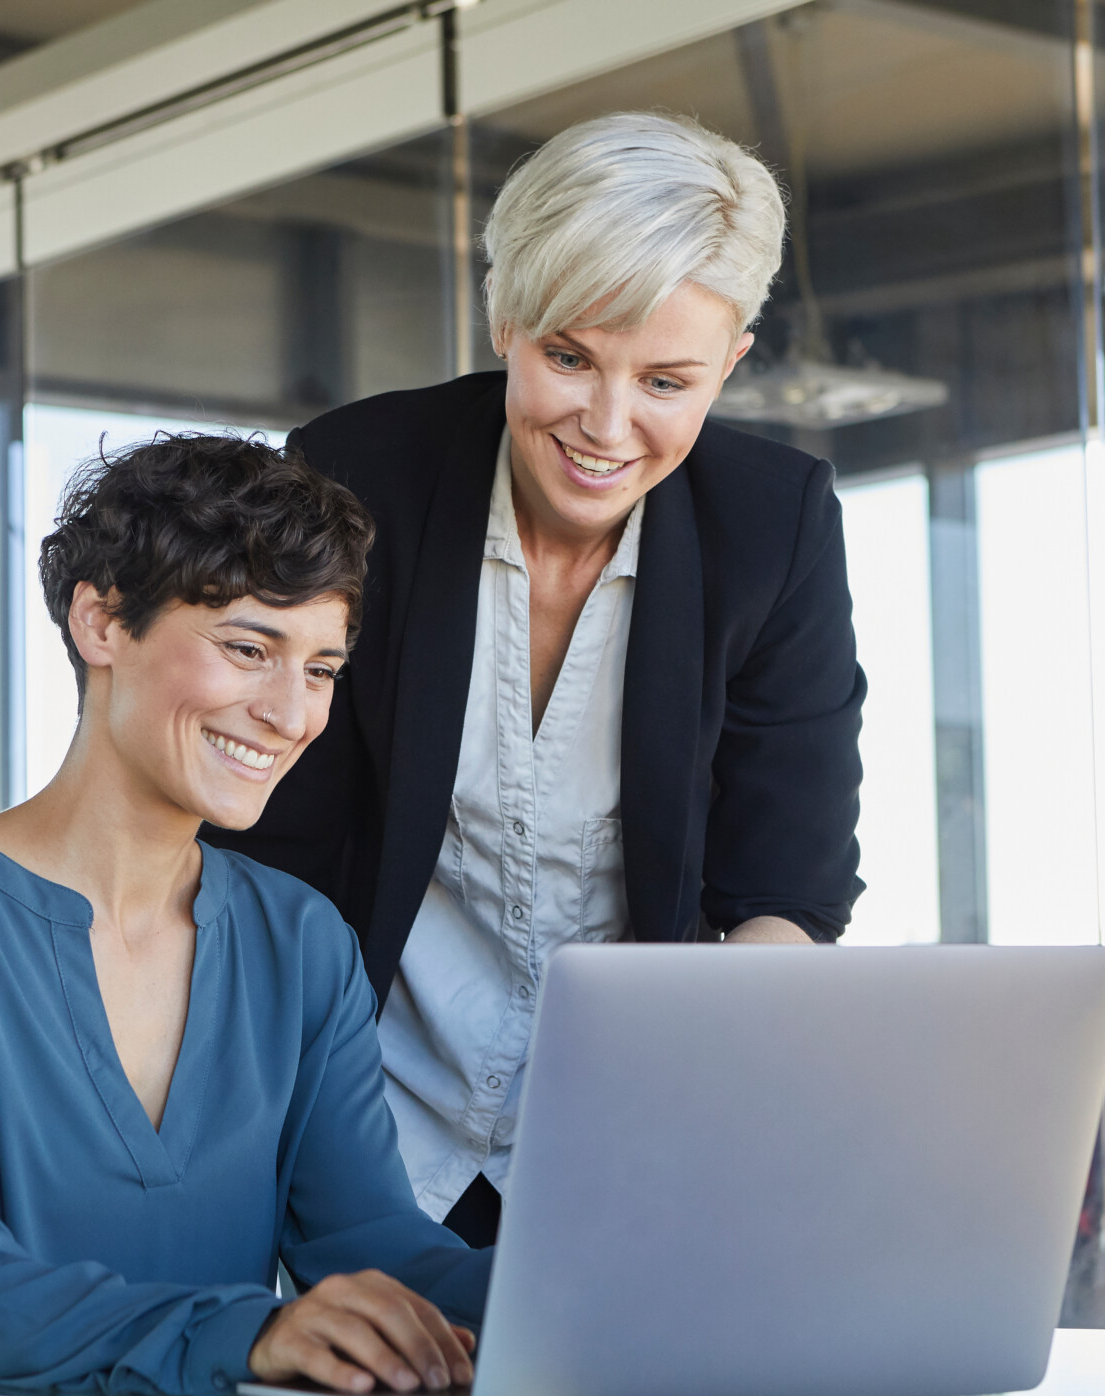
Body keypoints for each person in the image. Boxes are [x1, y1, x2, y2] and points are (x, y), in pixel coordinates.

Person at [209, 111, 866, 1249]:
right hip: (364, 1127)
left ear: (732, 362)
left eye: (667, 380)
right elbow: (271, 854)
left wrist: (694, 1104)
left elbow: (789, 889)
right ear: (504, 315)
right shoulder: (351, 479)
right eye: (569, 357)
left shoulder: (775, 526)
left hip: (632, 1146)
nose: (607, 428)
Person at [0, 436, 489, 1396]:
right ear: (102, 621)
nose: (293, 713)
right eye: (249, 649)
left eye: (322, 668)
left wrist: (580, 1294)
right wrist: (256, 1333)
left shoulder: (301, 941)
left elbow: (370, 1248)